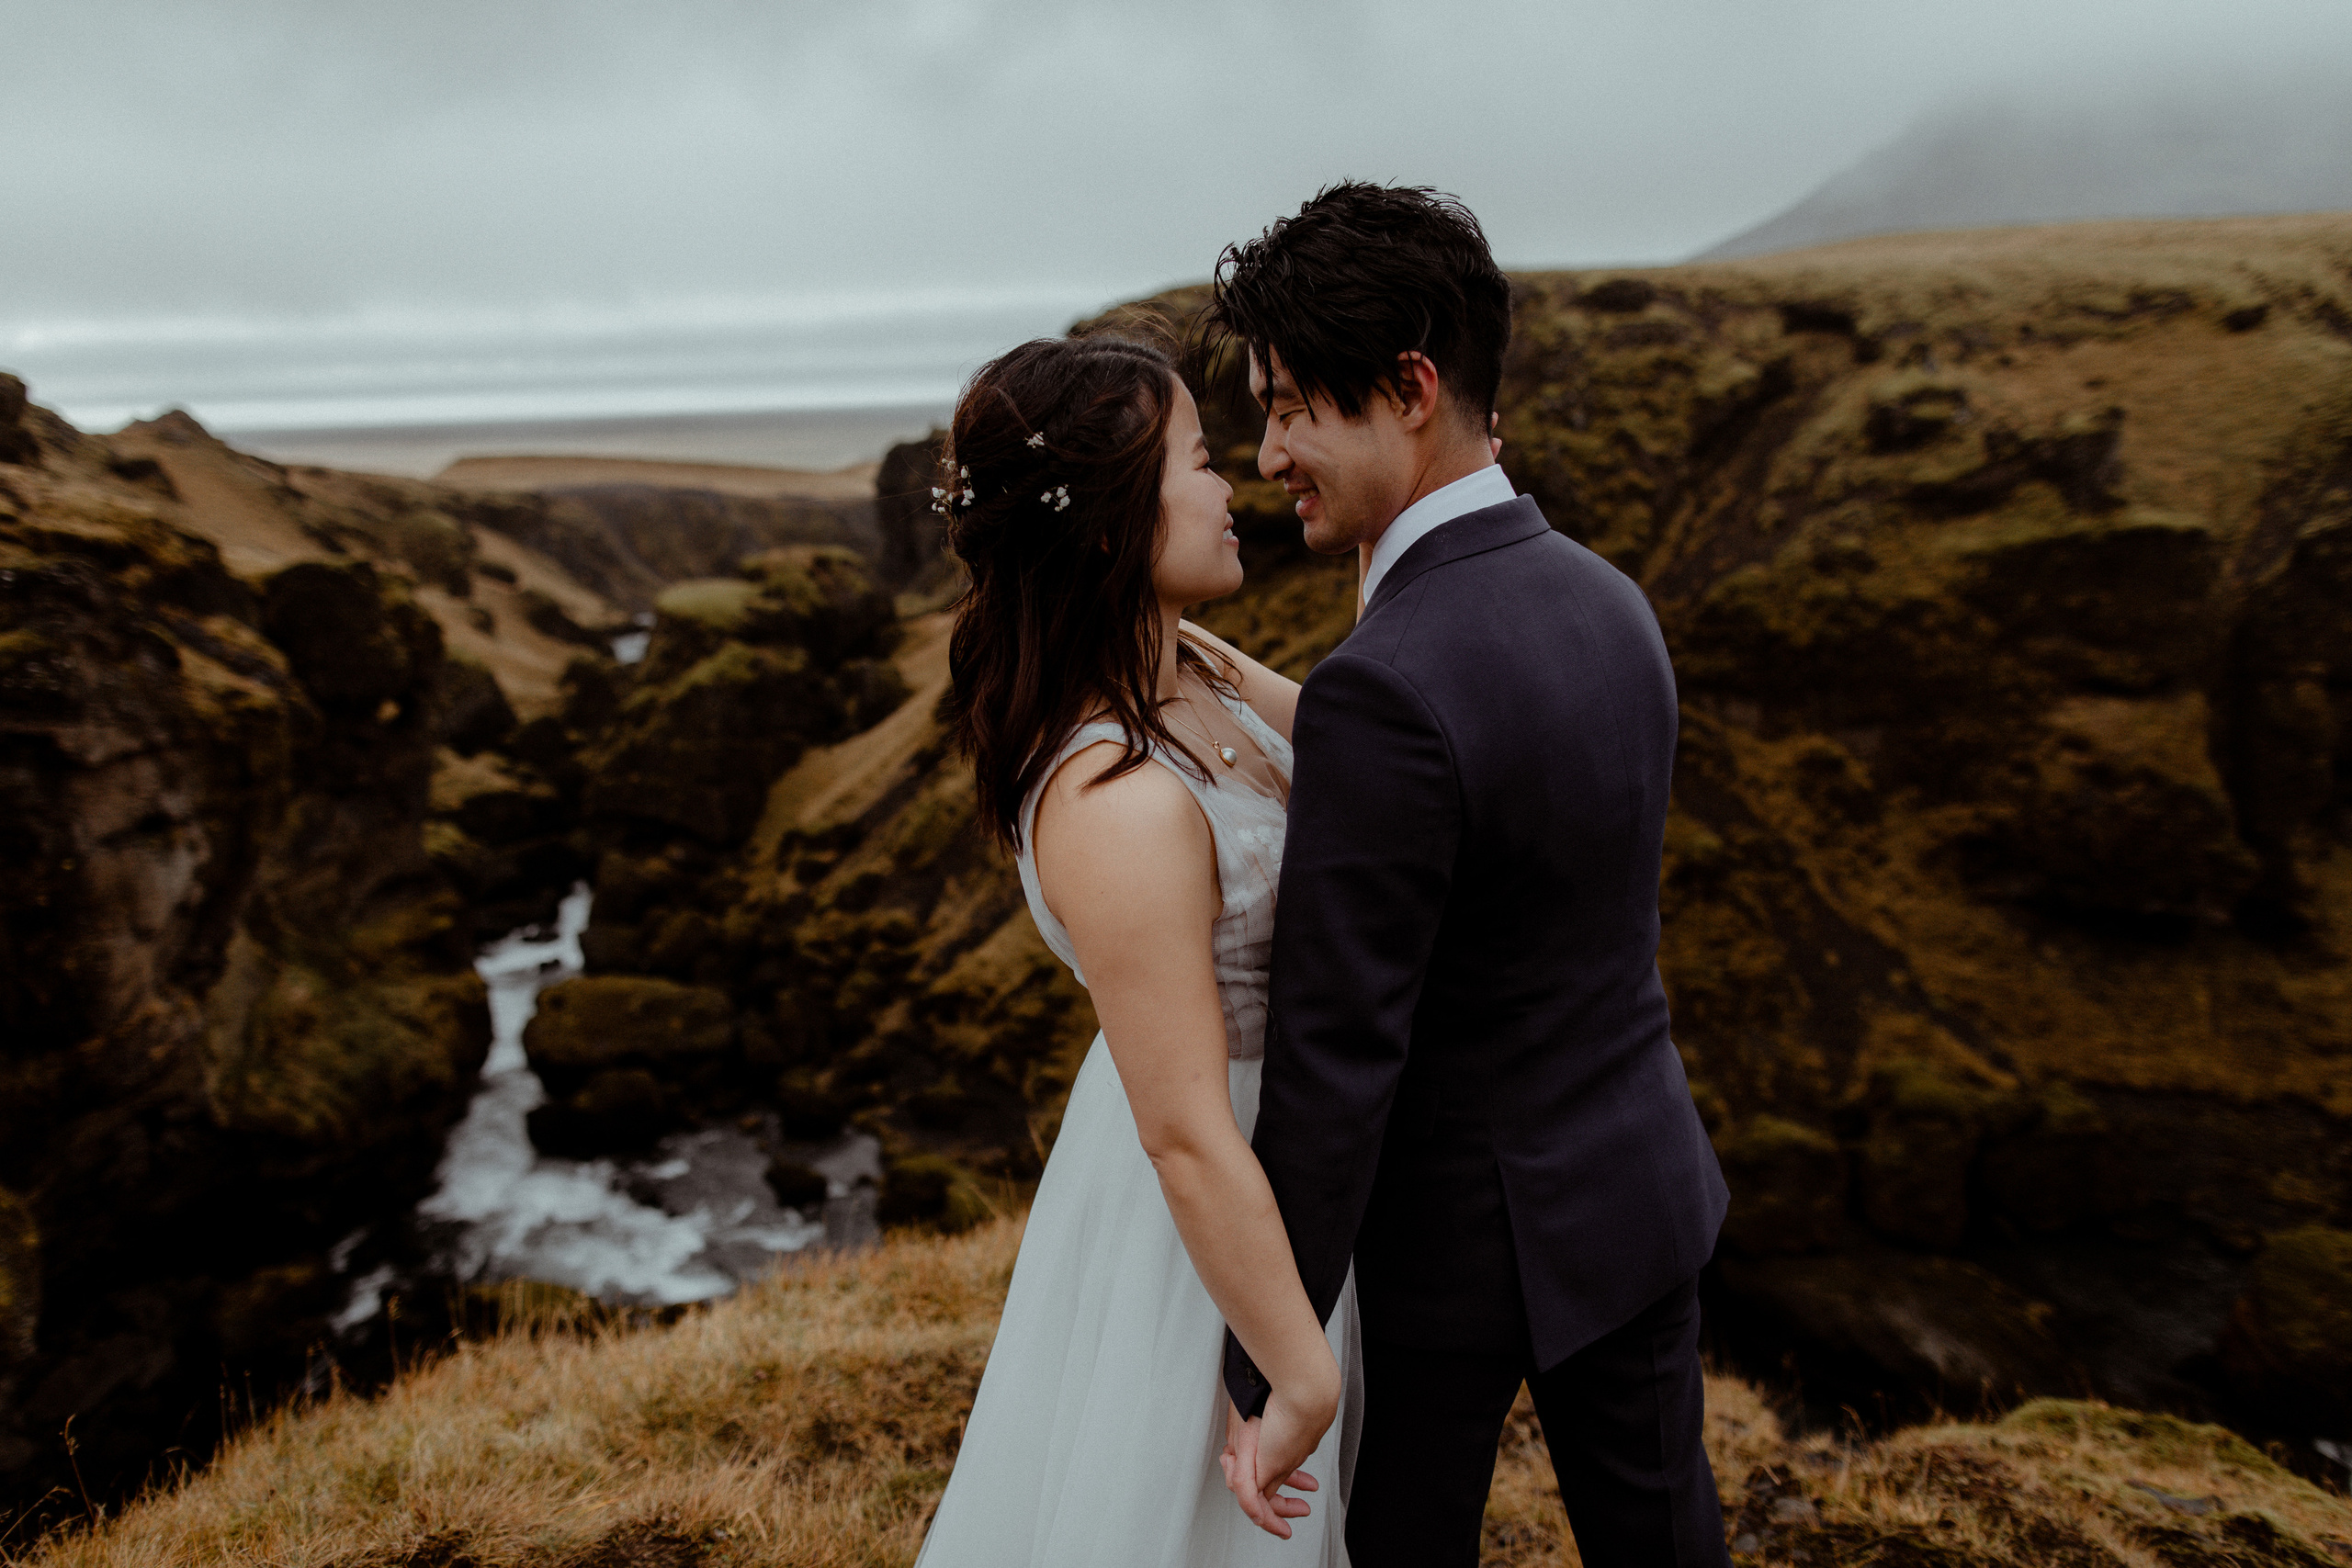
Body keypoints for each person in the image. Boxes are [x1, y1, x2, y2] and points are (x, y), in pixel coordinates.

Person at [1208, 183, 1734, 1568]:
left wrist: (1263, 1364)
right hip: (1636, 1185)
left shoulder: (1390, 682)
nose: (1267, 457)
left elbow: (1336, 1067)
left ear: (1410, 388)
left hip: (1456, 1252)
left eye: (1289, 409)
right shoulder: (1605, 597)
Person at [911, 333, 1358, 1566]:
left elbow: (1359, 756)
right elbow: (1183, 1130)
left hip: (1285, 1170)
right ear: (1113, 523)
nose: (1235, 487)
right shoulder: (1114, 797)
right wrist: (1293, 1371)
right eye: (1201, 460)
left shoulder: (1194, 672)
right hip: (1205, 1219)